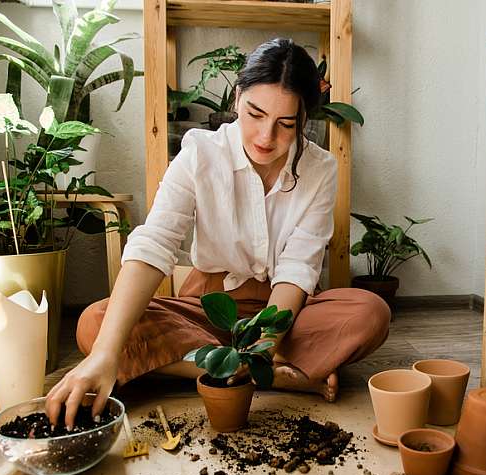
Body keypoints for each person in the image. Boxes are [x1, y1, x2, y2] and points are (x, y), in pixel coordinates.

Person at [45, 38, 391, 430]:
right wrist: (105, 355)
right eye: (254, 114)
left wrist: (264, 344)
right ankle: (271, 374)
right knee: (96, 323)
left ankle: (224, 366)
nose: (265, 137)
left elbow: (297, 269)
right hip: (206, 312)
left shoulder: (320, 169)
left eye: (286, 124)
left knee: (369, 312)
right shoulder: (199, 154)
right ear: (237, 97)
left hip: (284, 313)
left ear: (304, 119)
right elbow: (155, 243)